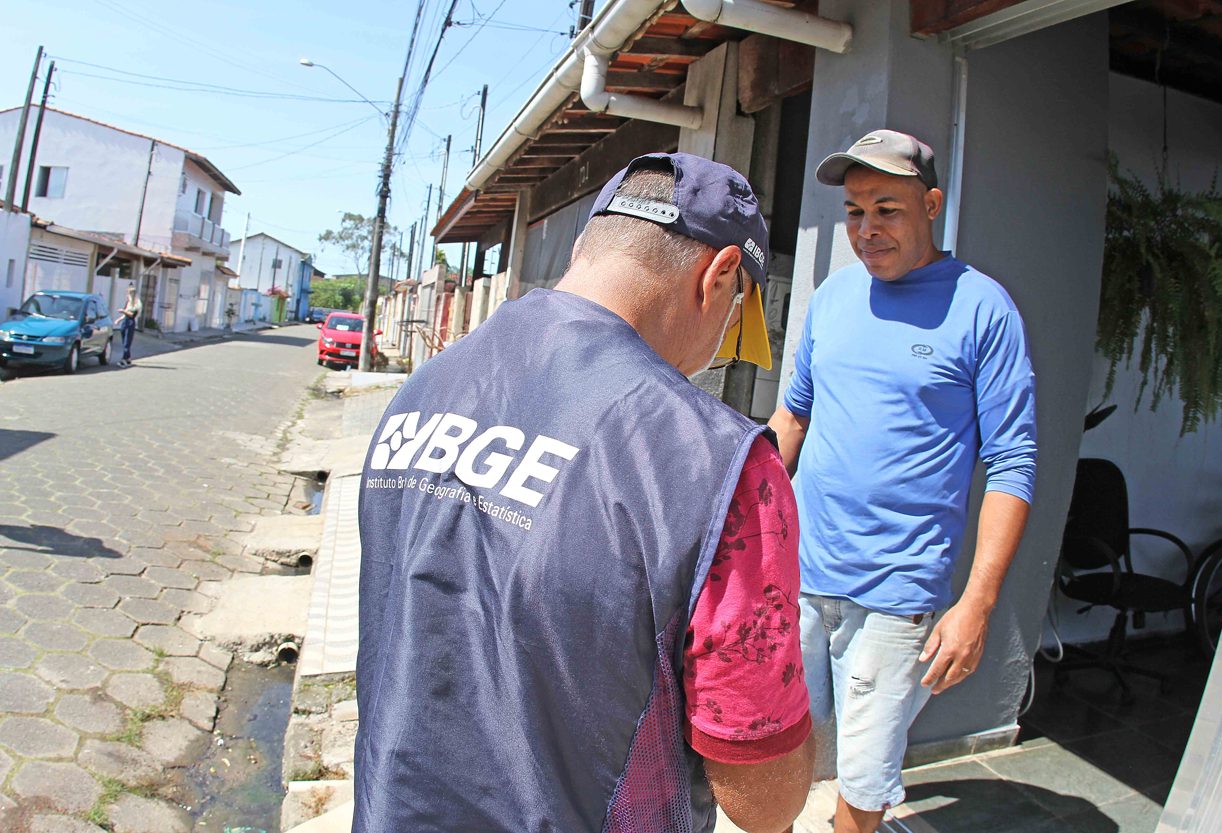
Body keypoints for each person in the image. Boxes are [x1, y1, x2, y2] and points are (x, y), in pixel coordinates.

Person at [355, 153, 814, 833]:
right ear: (720, 277)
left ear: (582, 248)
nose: (722, 346)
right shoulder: (718, 464)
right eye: (738, 323)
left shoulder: (425, 388)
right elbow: (763, 798)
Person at [768, 129, 1037, 833]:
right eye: (855, 212)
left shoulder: (982, 309)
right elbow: (792, 417)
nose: (866, 229)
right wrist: (741, 524)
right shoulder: (832, 297)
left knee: (862, 782)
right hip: (801, 577)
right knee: (784, 755)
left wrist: (976, 605)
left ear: (933, 205)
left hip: (895, 597)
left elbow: (1013, 462)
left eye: (886, 208)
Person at [113, 283, 142, 367]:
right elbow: (125, 313)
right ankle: (128, 358)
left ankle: (123, 359)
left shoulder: (137, 303)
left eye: (128, 293)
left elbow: (132, 314)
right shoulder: (128, 302)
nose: (127, 295)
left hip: (130, 322)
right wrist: (119, 319)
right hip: (125, 321)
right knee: (124, 341)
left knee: (127, 342)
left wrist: (123, 311)